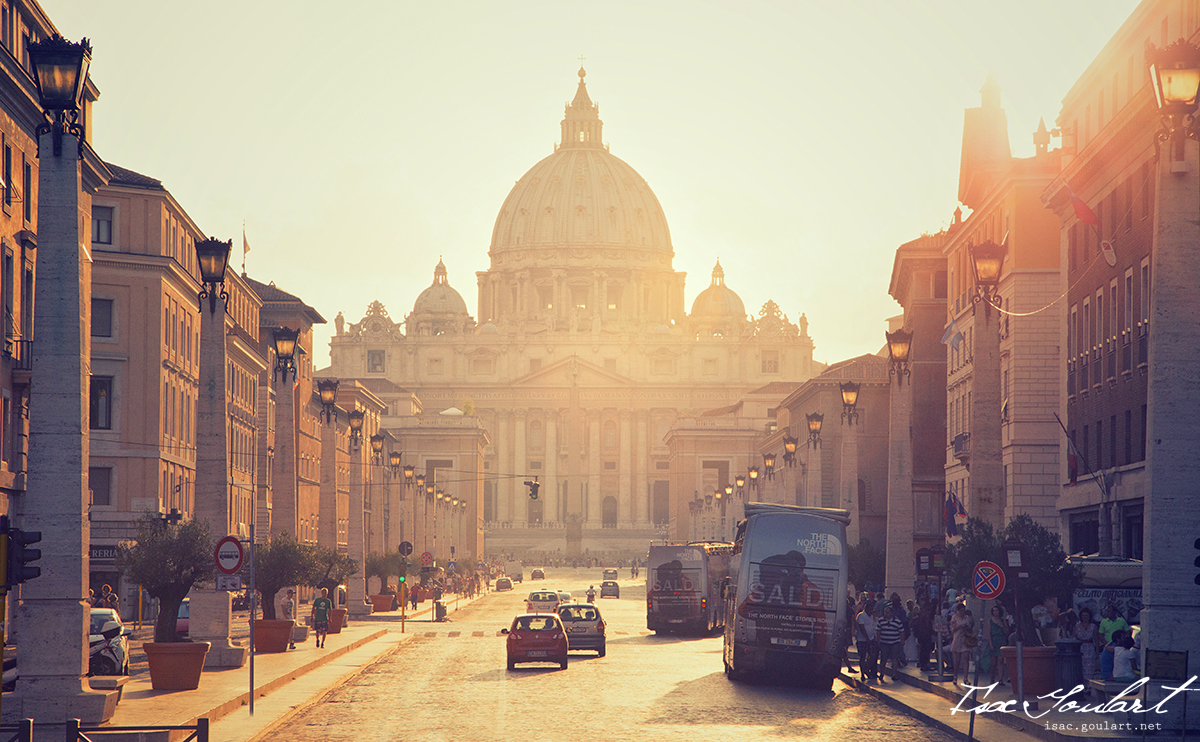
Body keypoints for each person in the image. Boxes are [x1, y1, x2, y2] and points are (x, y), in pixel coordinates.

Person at [877, 604, 905, 681]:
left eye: (888, 612)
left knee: (894, 659)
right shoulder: (881, 620)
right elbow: (878, 631)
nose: (886, 614)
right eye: (885, 612)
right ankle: (881, 673)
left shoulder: (897, 621)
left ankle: (894, 674)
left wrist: (902, 641)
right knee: (883, 659)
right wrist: (878, 640)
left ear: (892, 613)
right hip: (884, 642)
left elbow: (901, 632)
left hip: (895, 642)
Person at [985, 604, 1010, 684]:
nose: (995, 612)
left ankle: (1000, 679)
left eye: (996, 610)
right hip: (994, 640)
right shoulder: (990, 621)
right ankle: (992, 678)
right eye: (994, 611)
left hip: (1001, 640)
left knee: (1001, 660)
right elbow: (988, 633)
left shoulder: (1002, 621)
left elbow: (1007, 632)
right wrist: (991, 644)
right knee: (993, 662)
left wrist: (1002, 626)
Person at [855, 599, 879, 683]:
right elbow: (862, 627)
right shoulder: (861, 616)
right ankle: (862, 673)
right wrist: (867, 638)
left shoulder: (872, 617)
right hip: (862, 640)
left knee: (872, 655)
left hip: (871, 638)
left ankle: (866, 668)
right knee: (862, 656)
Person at [949, 602, 972, 684]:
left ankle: (966, 678)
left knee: (966, 657)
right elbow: (952, 629)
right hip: (958, 639)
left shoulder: (967, 618)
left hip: (965, 639)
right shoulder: (954, 618)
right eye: (961, 610)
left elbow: (970, 627)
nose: (963, 612)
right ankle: (955, 676)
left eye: (964, 610)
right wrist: (960, 626)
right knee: (958, 659)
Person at [1075, 608, 1101, 680]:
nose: (1085, 617)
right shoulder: (1077, 626)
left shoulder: (1093, 626)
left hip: (1090, 648)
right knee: (1081, 667)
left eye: (1086, 615)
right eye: (1083, 615)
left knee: (1090, 667)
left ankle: (1089, 686)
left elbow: (1096, 640)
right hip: (1080, 649)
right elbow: (1073, 637)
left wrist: (1097, 652)